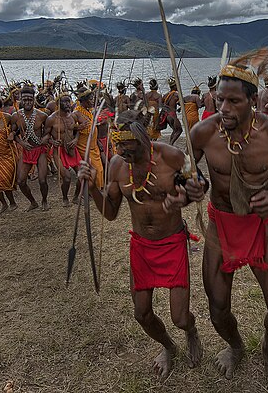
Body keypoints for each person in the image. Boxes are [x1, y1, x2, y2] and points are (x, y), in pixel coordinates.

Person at [185, 50, 268, 389]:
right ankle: (235, 346)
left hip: (259, 226)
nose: (223, 108)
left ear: (253, 101)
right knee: (218, 308)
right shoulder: (203, 132)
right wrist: (192, 187)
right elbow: (189, 175)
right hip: (220, 227)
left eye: (234, 102)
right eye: (219, 99)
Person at [77, 110, 202, 381]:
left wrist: (184, 199)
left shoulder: (173, 157)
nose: (121, 151)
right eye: (117, 145)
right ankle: (169, 347)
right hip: (142, 247)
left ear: (143, 137)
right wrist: (91, 188)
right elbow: (110, 213)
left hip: (172, 244)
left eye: (126, 145)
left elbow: (199, 186)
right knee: (142, 314)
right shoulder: (117, 165)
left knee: (180, 318)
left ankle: (191, 332)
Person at [12, 86, 50, 211]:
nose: (27, 102)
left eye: (30, 99)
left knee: (42, 180)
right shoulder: (16, 116)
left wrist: (46, 137)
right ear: (21, 100)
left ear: (34, 100)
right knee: (21, 181)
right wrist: (21, 143)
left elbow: (49, 131)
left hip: (40, 150)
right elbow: (13, 134)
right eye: (25, 99)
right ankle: (33, 202)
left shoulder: (42, 116)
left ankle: (44, 200)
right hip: (26, 150)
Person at [43, 93, 81, 207]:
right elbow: (45, 136)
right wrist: (52, 142)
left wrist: (76, 139)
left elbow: (77, 129)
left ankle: (75, 197)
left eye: (68, 101)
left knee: (81, 175)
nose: (67, 104)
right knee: (67, 177)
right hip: (58, 151)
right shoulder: (51, 119)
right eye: (64, 102)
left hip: (72, 149)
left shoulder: (73, 116)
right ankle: (65, 198)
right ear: (58, 104)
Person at [73, 88, 104, 190]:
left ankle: (97, 188)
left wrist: (98, 141)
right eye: (91, 99)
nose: (93, 101)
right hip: (84, 146)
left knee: (100, 169)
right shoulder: (76, 113)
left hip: (94, 145)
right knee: (94, 168)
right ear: (84, 101)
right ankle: (92, 190)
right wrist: (77, 128)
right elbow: (70, 127)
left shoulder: (89, 111)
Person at [160, 77, 183, 145]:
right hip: (172, 115)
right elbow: (181, 102)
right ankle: (171, 144)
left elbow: (161, 104)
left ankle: (170, 144)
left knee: (175, 130)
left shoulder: (165, 95)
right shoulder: (176, 94)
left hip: (166, 115)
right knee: (179, 130)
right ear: (175, 86)